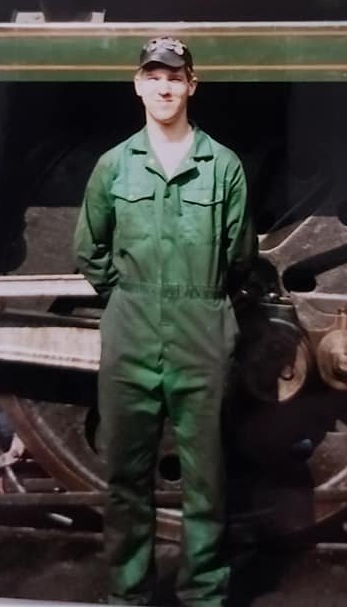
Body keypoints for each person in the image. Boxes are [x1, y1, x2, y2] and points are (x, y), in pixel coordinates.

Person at [74, 36, 257, 607]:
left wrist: (197, 299)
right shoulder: (114, 165)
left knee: (208, 478)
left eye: (174, 78)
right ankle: (128, 593)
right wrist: (128, 296)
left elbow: (240, 254)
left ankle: (204, 592)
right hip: (130, 326)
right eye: (154, 76)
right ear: (138, 84)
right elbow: (89, 247)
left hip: (202, 324)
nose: (164, 87)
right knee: (125, 476)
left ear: (191, 86)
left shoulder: (222, 166)